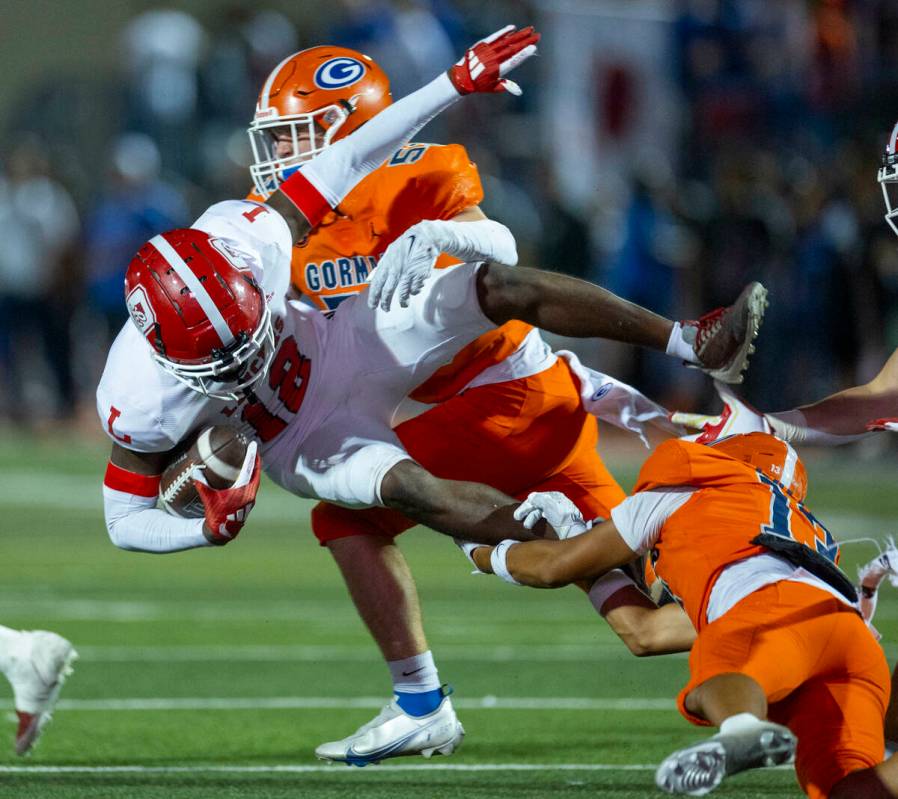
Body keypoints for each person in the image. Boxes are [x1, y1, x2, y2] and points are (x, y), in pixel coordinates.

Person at [96, 26, 766, 767]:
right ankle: (716, 582)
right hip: (300, 438)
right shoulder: (139, 393)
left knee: (488, 290)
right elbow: (123, 516)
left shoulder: (252, 232)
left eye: (251, 330)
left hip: (357, 351)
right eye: (225, 358)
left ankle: (688, 346)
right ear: (165, 354)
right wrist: (203, 530)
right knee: (407, 491)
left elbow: (358, 155)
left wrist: (456, 86)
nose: (246, 355)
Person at [465, 432, 891, 797]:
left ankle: (743, 731)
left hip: (775, 609)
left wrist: (481, 552)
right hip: (850, 640)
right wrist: (580, 538)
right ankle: (744, 727)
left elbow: (552, 566)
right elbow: (644, 633)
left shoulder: (696, 485)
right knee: (855, 789)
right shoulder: (804, 528)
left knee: (708, 684)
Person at [0, 625, 77, 756]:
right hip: (33, 646)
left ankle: (26, 659)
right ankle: (28, 656)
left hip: (28, 665)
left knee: (22, 743)